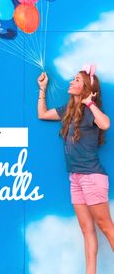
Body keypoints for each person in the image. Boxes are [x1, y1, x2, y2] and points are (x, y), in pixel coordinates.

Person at [37, 64, 114, 274]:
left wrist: (90, 103)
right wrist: (42, 88)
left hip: (92, 177)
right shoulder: (68, 111)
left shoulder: (91, 112)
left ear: (87, 88)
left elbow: (105, 124)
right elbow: (42, 114)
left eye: (77, 80)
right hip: (76, 178)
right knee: (86, 229)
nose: (72, 82)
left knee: (105, 226)